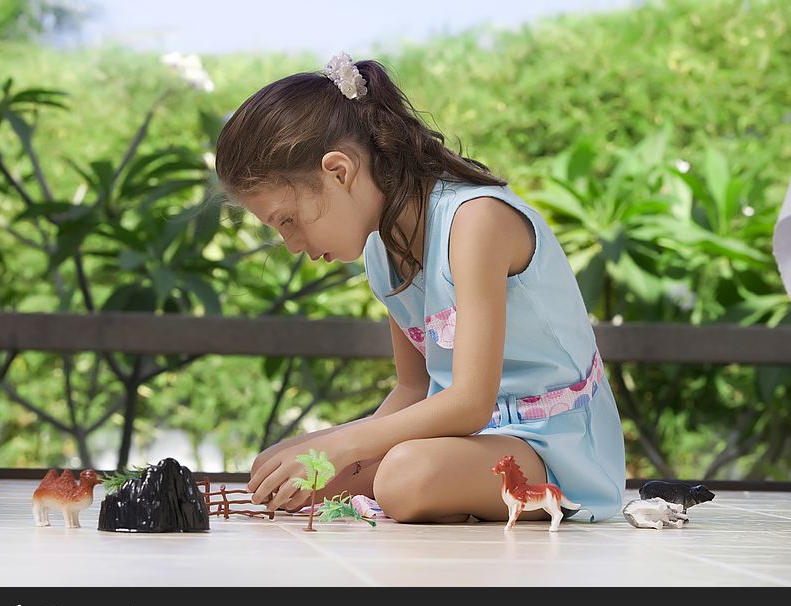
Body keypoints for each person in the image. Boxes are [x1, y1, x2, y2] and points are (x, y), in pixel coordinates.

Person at [214, 51, 625, 524]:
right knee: (286, 474)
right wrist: (319, 450)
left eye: (288, 219)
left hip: (555, 446)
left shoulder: (475, 222)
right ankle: (450, 495)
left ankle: (455, 494)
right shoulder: (381, 252)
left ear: (339, 171)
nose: (290, 244)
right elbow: (414, 388)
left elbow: (470, 401)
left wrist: (342, 443)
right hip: (467, 442)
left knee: (405, 476)